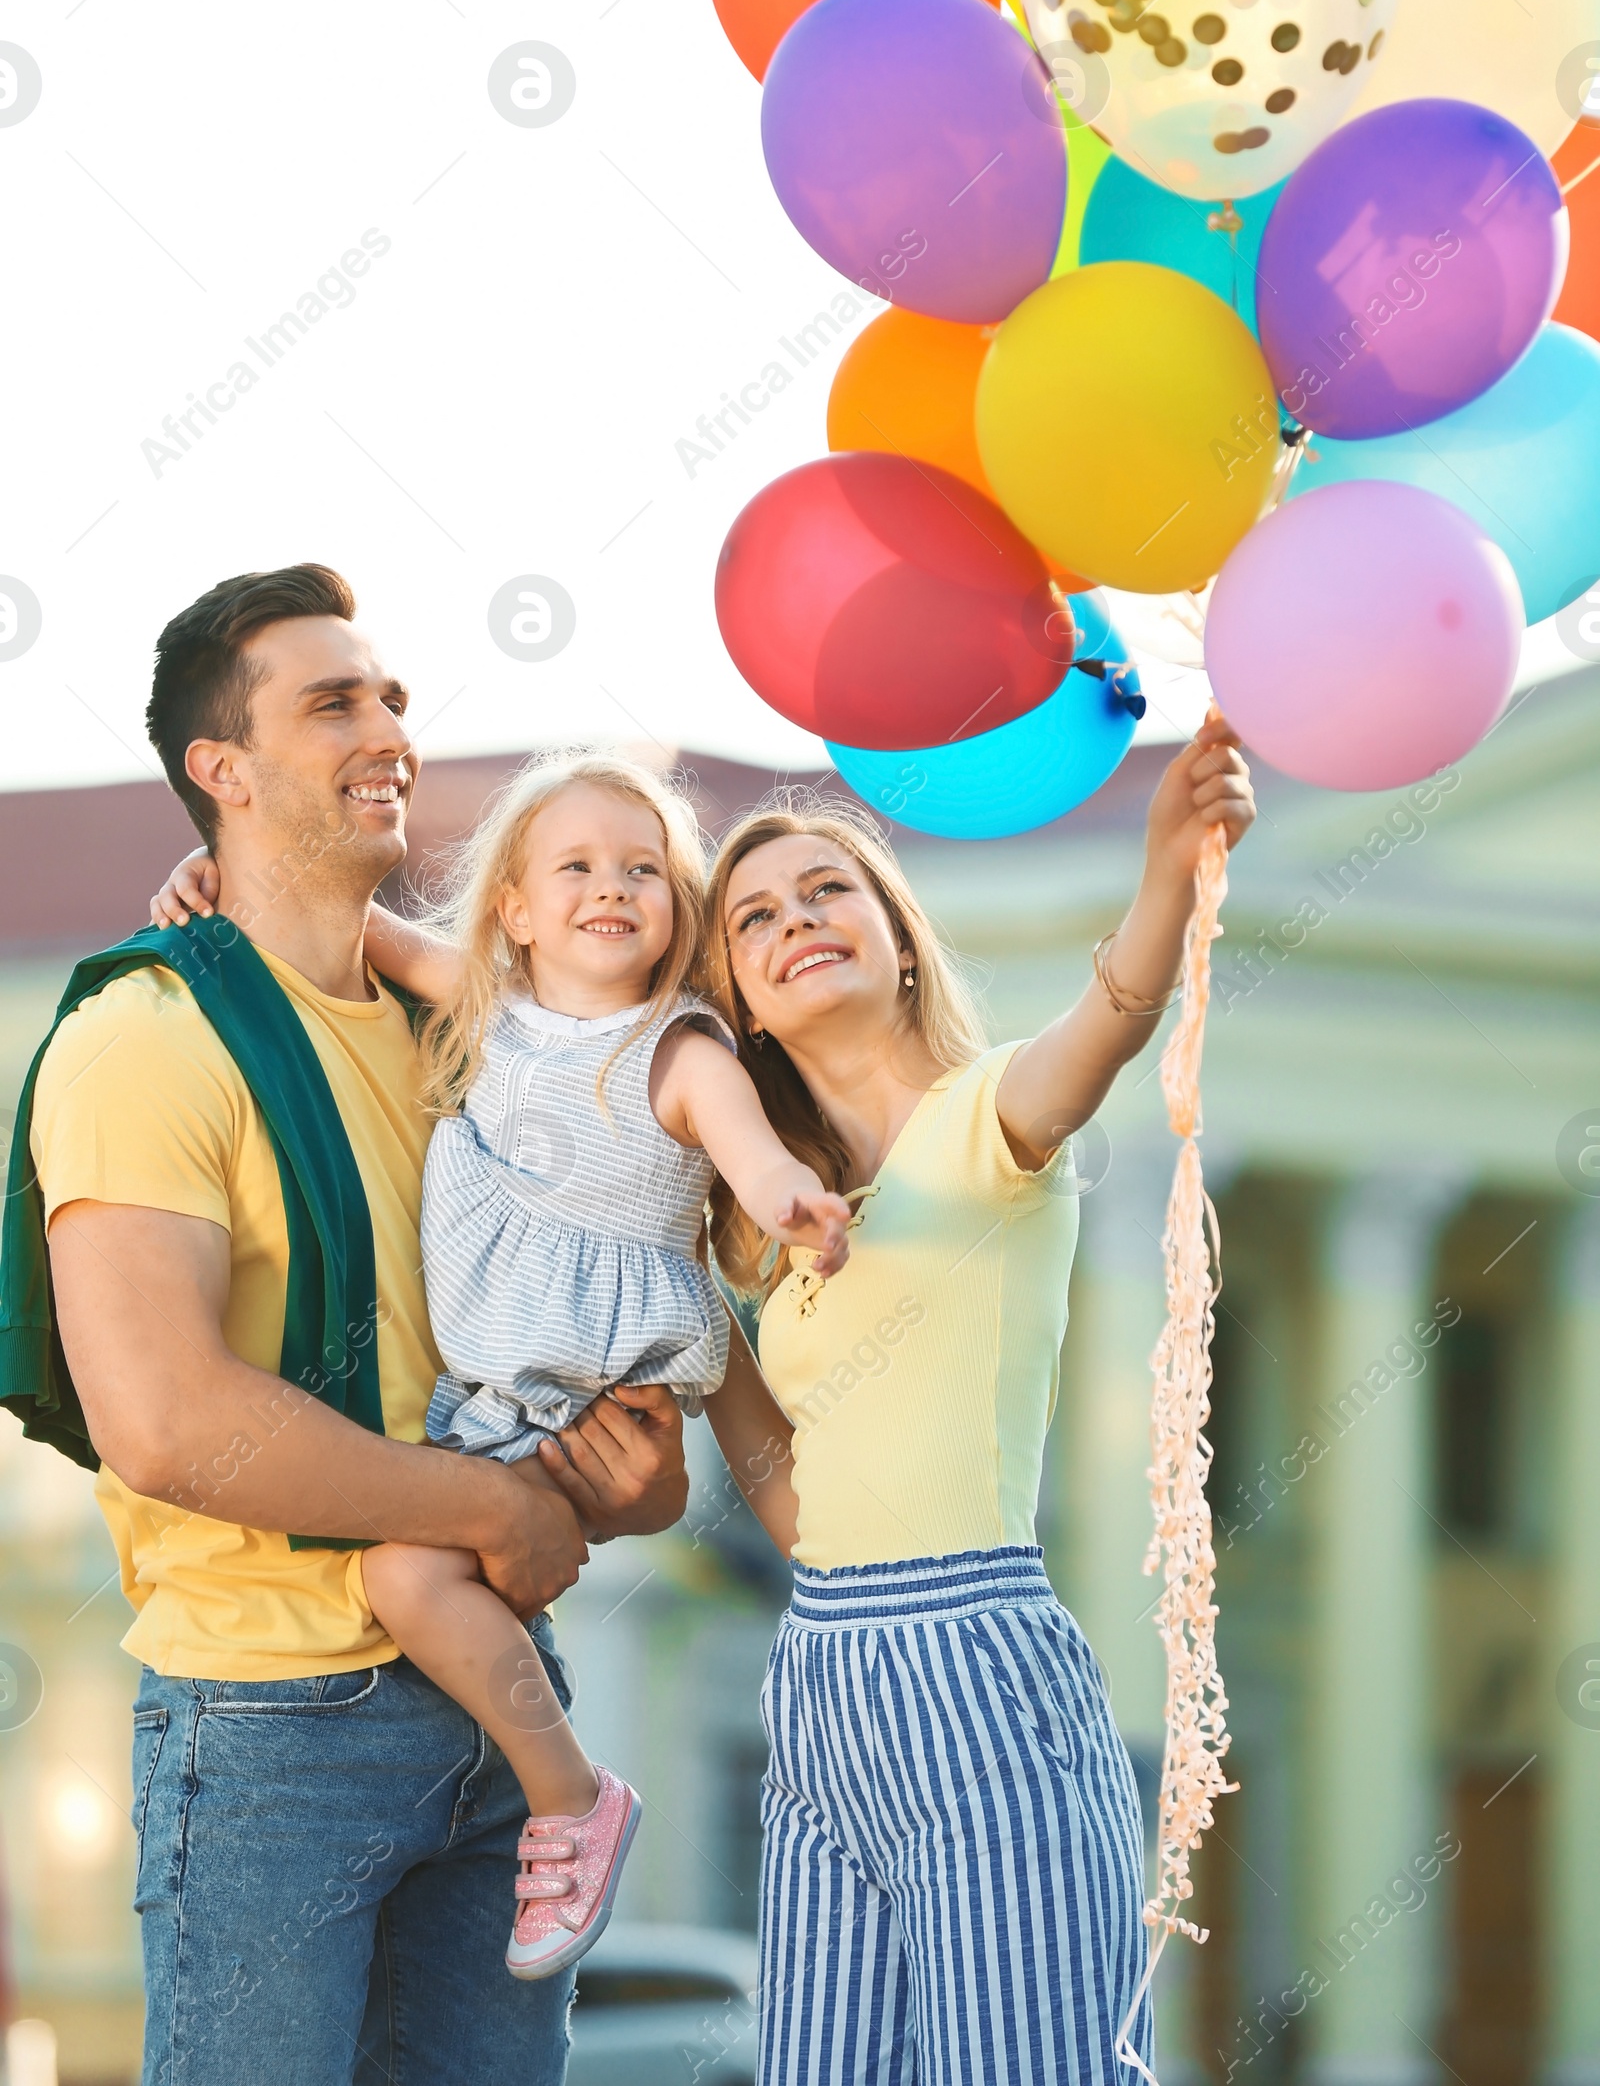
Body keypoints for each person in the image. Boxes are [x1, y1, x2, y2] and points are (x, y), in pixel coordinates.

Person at [5, 567, 687, 2086]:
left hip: (498, 1704)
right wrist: (501, 1506)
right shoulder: (150, 1036)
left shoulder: (484, 1062)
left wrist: (623, 1482)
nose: (386, 728)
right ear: (220, 771)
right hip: (273, 1736)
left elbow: (563, 1391)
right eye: (332, 702)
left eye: (389, 696)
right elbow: (170, 1422)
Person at [153, 751, 854, 1980]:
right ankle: (535, 1779)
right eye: (574, 866)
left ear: (676, 913)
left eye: (644, 870)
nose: (611, 886)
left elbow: (747, 1150)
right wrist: (219, 878)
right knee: (426, 1579)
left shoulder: (675, 1052)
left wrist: (792, 1196)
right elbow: (353, 924)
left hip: (584, 1393)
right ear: (516, 910)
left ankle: (570, 1797)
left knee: (406, 1580)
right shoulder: (483, 1004)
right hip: (482, 1399)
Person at [696, 720, 1255, 2085]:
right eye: (755, 917)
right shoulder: (776, 1232)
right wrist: (704, 1345)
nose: (794, 918)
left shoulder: (991, 1119)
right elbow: (795, 1507)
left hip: (979, 1670)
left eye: (829, 888)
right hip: (822, 1683)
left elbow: (1113, 1014)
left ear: (898, 937)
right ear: (743, 1007)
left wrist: (1169, 868)